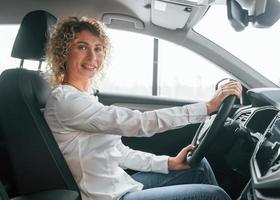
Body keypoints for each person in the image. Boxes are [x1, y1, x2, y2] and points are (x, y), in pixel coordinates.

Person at [44, 16, 242, 200]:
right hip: (108, 197)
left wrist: (168, 163)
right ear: (64, 52)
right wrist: (207, 107)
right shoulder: (66, 100)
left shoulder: (84, 98)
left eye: (98, 48)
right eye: (82, 47)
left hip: (122, 187)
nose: (92, 57)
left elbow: (119, 153)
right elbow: (139, 123)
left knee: (199, 167)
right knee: (213, 195)